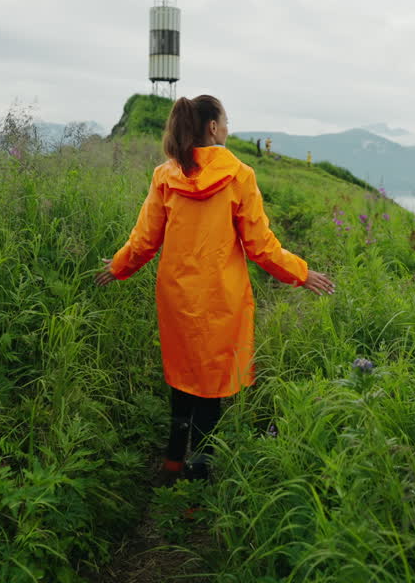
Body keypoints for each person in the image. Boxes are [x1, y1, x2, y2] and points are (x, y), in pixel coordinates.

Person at [95, 94, 335, 482]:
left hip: (176, 296)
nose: (228, 128)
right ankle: (199, 472)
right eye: (226, 122)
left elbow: (144, 240)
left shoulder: (165, 176)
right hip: (221, 299)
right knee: (211, 384)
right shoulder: (239, 175)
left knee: (182, 375)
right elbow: (261, 246)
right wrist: (300, 273)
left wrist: (119, 267)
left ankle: (173, 462)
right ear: (212, 127)